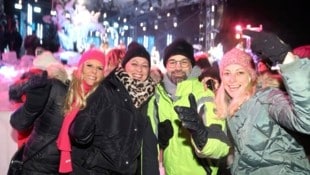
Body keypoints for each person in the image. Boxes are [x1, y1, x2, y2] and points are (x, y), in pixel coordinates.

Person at [214, 30, 310, 175]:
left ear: (251, 77)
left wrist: (287, 59)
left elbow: (307, 120)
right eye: (227, 73)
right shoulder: (228, 107)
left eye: (240, 72)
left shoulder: (267, 98)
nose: (232, 80)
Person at [68, 41, 158, 175]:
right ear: (123, 66)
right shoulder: (106, 89)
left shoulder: (149, 97)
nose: (139, 70)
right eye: (134, 64)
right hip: (94, 170)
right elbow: (79, 133)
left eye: (144, 66)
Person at [147, 38, 230, 175]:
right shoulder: (157, 97)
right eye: (172, 62)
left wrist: (202, 136)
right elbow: (148, 141)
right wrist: (157, 140)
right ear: (166, 66)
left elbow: (221, 144)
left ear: (191, 65)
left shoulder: (202, 93)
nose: (178, 67)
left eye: (184, 62)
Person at [9, 53, 69, 174]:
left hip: (38, 157)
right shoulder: (69, 92)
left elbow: (18, 121)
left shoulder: (45, 89)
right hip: (56, 159)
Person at [56, 49, 106, 174]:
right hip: (58, 160)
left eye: (99, 68)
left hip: (88, 165)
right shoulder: (67, 90)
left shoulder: (103, 97)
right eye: (89, 65)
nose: (94, 71)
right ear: (81, 67)